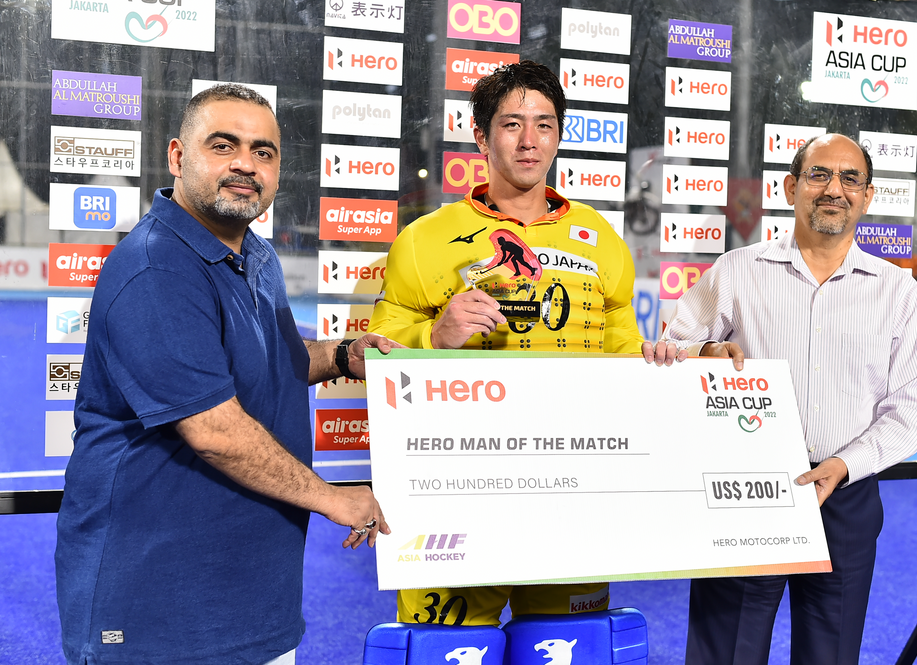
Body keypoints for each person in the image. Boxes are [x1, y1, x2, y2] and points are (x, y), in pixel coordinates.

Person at [55, 84, 399, 665]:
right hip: (156, 609)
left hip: (252, 603)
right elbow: (213, 429)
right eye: (223, 145)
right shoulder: (156, 267)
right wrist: (331, 498)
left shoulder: (255, 255)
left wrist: (342, 356)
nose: (246, 163)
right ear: (177, 157)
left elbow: (274, 358)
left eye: (263, 152)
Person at [368, 60, 683, 626]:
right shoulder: (423, 240)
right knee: (448, 652)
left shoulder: (600, 237)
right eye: (512, 124)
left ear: (559, 135)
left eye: (544, 124)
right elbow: (376, 352)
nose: (529, 140)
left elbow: (617, 344)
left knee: (566, 649)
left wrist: (650, 362)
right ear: (480, 135)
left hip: (573, 489)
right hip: (461, 490)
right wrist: (432, 336)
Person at [649, 133, 917, 664]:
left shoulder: (896, 290)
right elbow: (672, 348)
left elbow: (915, 404)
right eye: (819, 175)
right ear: (790, 188)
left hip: (846, 494)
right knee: (726, 654)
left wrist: (845, 465)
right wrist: (705, 353)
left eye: (850, 178)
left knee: (830, 655)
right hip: (745, 491)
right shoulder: (738, 270)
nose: (834, 189)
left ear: (867, 196)